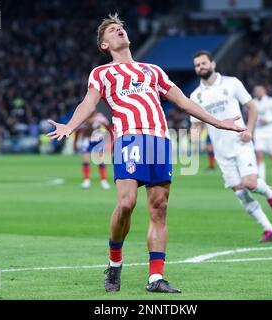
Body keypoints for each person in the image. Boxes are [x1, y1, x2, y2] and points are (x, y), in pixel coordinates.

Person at [46, 14, 245, 293]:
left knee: (159, 208)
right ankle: (115, 262)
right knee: (126, 204)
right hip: (129, 139)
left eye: (121, 28)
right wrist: (70, 125)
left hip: (160, 140)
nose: (119, 31)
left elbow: (184, 102)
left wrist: (218, 121)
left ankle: (155, 278)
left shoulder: (153, 70)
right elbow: (88, 103)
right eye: (113, 31)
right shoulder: (102, 73)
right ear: (104, 45)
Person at [189, 50, 272, 243]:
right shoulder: (195, 96)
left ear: (213, 64)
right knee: (241, 193)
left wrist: (249, 130)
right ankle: (269, 229)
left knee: (250, 183)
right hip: (221, 152)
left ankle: (269, 193)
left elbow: (253, 107)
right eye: (197, 65)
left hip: (241, 143)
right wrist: (194, 138)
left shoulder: (232, 83)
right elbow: (196, 124)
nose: (201, 67)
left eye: (203, 63)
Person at [74, 112, 111, 189]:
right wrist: (75, 143)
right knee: (86, 161)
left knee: (101, 161)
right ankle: (86, 181)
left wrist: (109, 140)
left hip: (97, 140)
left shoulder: (100, 118)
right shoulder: (82, 118)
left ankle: (103, 181)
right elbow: (77, 131)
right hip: (87, 140)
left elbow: (108, 128)